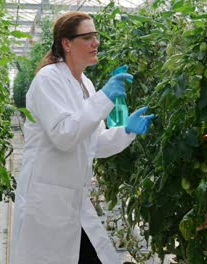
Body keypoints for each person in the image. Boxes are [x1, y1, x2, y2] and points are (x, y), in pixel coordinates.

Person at [9, 11, 154, 264]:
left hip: (73, 201)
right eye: (87, 37)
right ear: (66, 43)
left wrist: (126, 131)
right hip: (48, 202)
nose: (95, 42)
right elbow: (64, 135)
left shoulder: (85, 84)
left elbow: (93, 142)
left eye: (95, 36)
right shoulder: (48, 79)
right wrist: (106, 97)